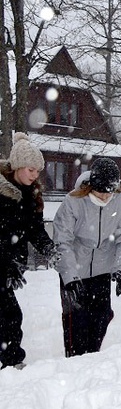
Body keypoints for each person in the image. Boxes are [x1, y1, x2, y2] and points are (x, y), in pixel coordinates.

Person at [53, 158, 121, 357]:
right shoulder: (73, 202)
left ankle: (92, 363)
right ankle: (74, 364)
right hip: (75, 271)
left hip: (102, 270)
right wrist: (70, 277)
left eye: (110, 191)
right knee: (76, 324)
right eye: (101, 191)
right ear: (91, 186)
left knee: (100, 321)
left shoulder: (120, 200)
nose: (106, 196)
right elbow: (62, 241)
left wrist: (119, 269)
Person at [0, 133, 58, 369]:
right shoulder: (2, 194)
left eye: (38, 171)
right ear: (17, 166)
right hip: (3, 263)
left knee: (9, 314)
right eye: (31, 170)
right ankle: (12, 361)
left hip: (11, 264)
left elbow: (35, 229)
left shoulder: (32, 195)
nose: (35, 175)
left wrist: (48, 248)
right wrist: (7, 266)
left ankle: (11, 360)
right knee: (10, 315)